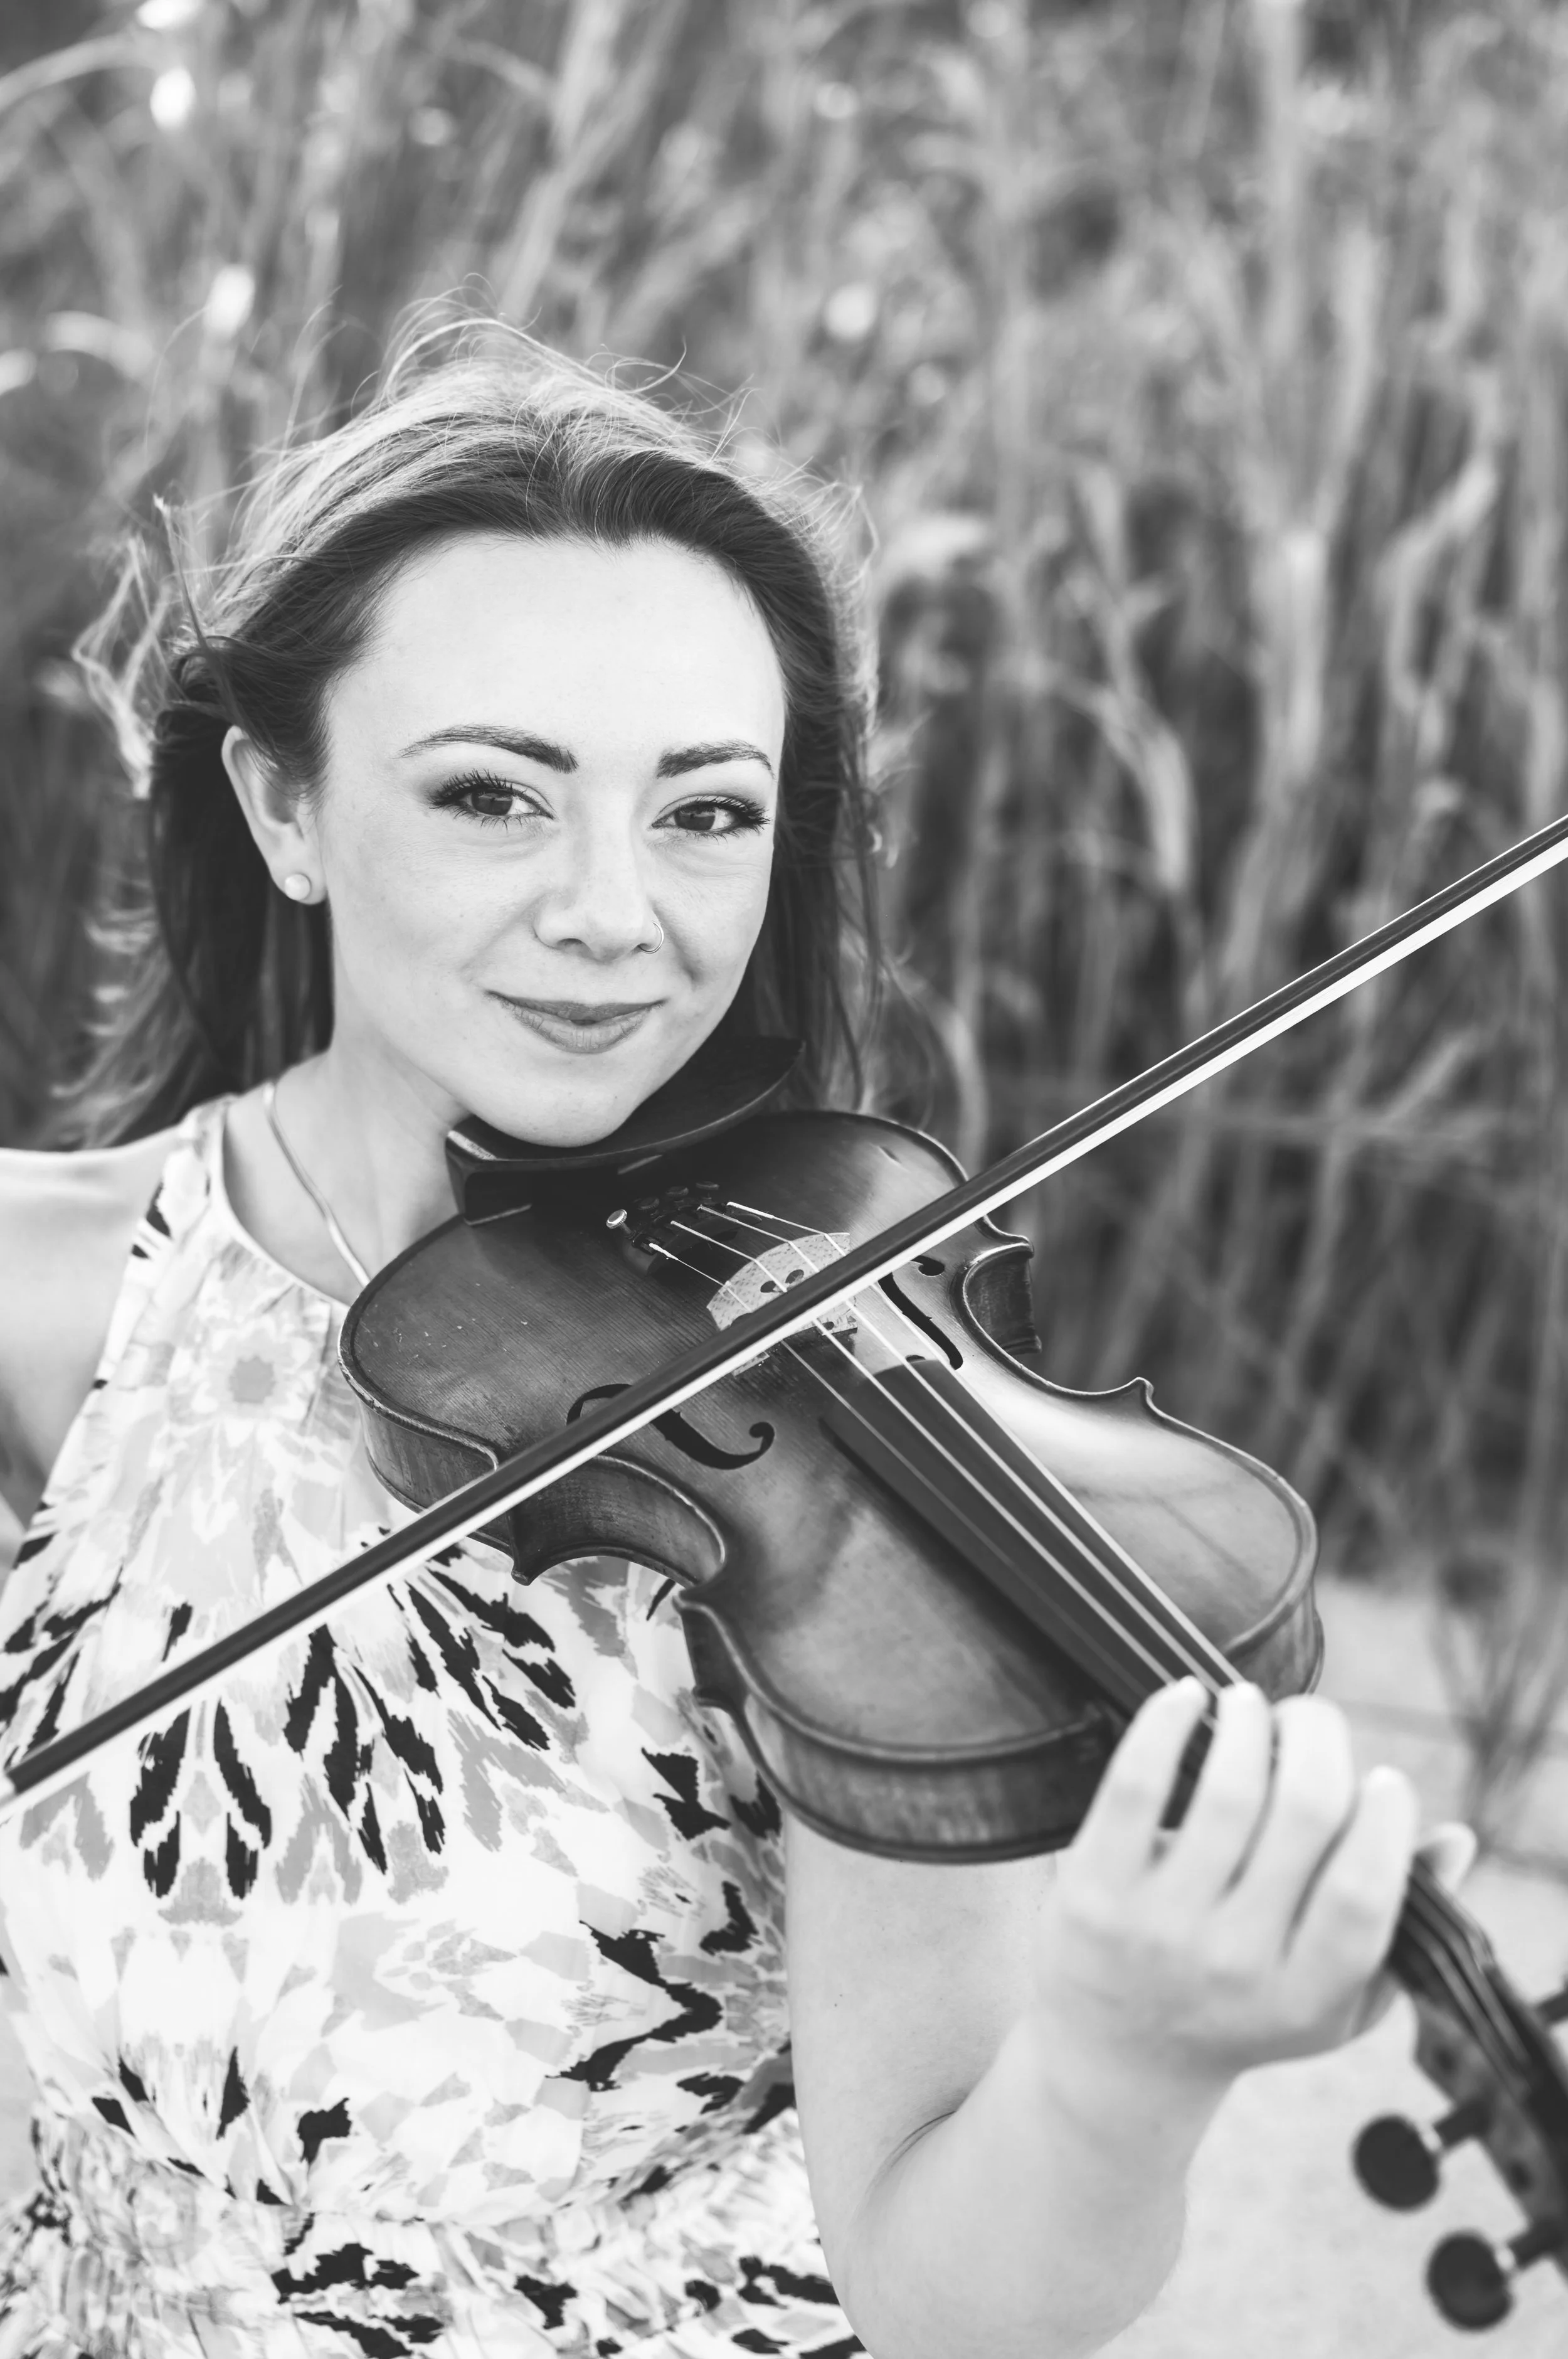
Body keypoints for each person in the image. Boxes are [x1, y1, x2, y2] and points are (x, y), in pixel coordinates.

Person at [0, 322, 1468, 2359]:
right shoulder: (55, 1308)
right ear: (285, 808)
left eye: (704, 813)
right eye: (494, 796)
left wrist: (1124, 2068)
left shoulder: (846, 1426)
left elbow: (951, 2290)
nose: (618, 911)